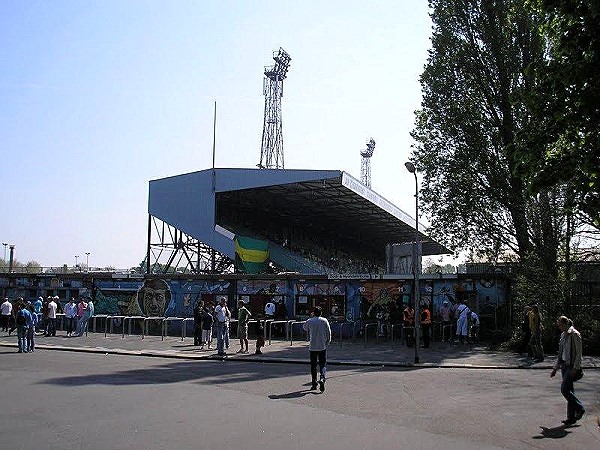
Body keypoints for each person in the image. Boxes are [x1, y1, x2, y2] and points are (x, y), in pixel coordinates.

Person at [550, 316, 585, 426]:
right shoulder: (563, 335)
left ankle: (580, 408)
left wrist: (576, 368)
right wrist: (555, 368)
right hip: (564, 366)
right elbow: (560, 354)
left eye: (560, 325)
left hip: (571, 366)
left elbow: (579, 353)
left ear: (565, 323)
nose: (559, 327)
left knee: (564, 390)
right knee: (570, 391)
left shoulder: (574, 334)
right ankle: (571, 418)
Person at [303, 306, 331, 392]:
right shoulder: (324, 320)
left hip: (313, 346)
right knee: (323, 364)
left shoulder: (310, 321)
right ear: (321, 313)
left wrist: (310, 317)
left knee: (313, 366)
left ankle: (314, 384)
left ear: (313, 313)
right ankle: (322, 378)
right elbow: (328, 332)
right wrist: (328, 341)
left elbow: (304, 328)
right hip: (322, 346)